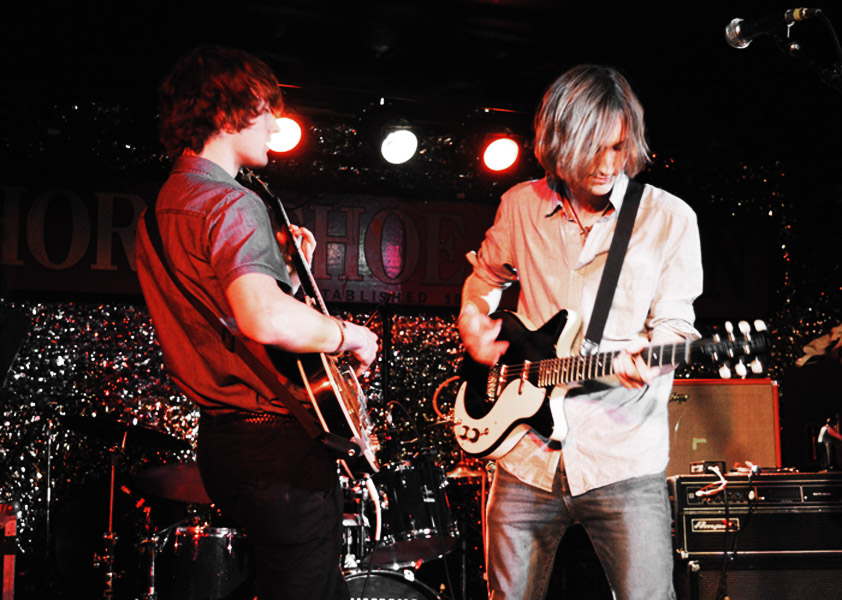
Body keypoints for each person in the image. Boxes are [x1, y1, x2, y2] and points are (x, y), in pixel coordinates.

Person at [135, 45, 378, 600]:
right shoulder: (231, 203)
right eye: (267, 109)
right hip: (277, 451)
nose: (274, 125)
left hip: (223, 446)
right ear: (227, 114)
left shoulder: (160, 210)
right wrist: (351, 335)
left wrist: (286, 274)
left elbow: (226, 320)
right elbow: (262, 319)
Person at [457, 64, 703, 600]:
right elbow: (485, 279)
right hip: (525, 455)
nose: (608, 165)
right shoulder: (520, 206)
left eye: (618, 147)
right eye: (592, 149)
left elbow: (677, 326)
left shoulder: (669, 218)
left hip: (623, 456)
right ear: (557, 142)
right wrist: (473, 318)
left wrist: (652, 353)